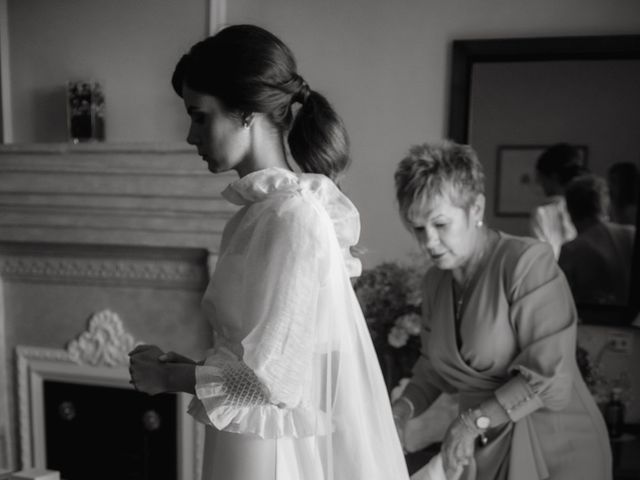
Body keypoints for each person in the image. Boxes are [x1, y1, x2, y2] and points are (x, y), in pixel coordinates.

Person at [128, 25, 409, 480]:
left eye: (199, 116)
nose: (189, 136)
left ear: (245, 112)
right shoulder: (256, 215)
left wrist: (169, 380)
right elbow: (266, 358)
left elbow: (270, 384)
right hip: (243, 435)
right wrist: (193, 369)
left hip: (269, 453)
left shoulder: (294, 218)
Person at [391, 140, 611, 480]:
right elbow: (432, 367)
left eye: (440, 224)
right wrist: (402, 410)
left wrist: (468, 424)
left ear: (476, 209)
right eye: (417, 228)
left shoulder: (527, 264)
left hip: (555, 444)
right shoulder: (435, 281)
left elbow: (550, 379)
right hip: (485, 441)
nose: (428, 242)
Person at [559, 174, 635, 306]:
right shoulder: (632, 234)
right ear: (605, 206)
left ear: (570, 211)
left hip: (595, 322)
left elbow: (560, 300)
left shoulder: (572, 250)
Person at [530, 143, 588, 258]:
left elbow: (542, 259)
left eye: (541, 178)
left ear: (553, 177)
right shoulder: (590, 206)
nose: (539, 183)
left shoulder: (542, 213)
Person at [607, 161, 639, 226]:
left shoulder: (632, 213)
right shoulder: (610, 208)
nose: (609, 185)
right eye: (609, 180)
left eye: (614, 181)